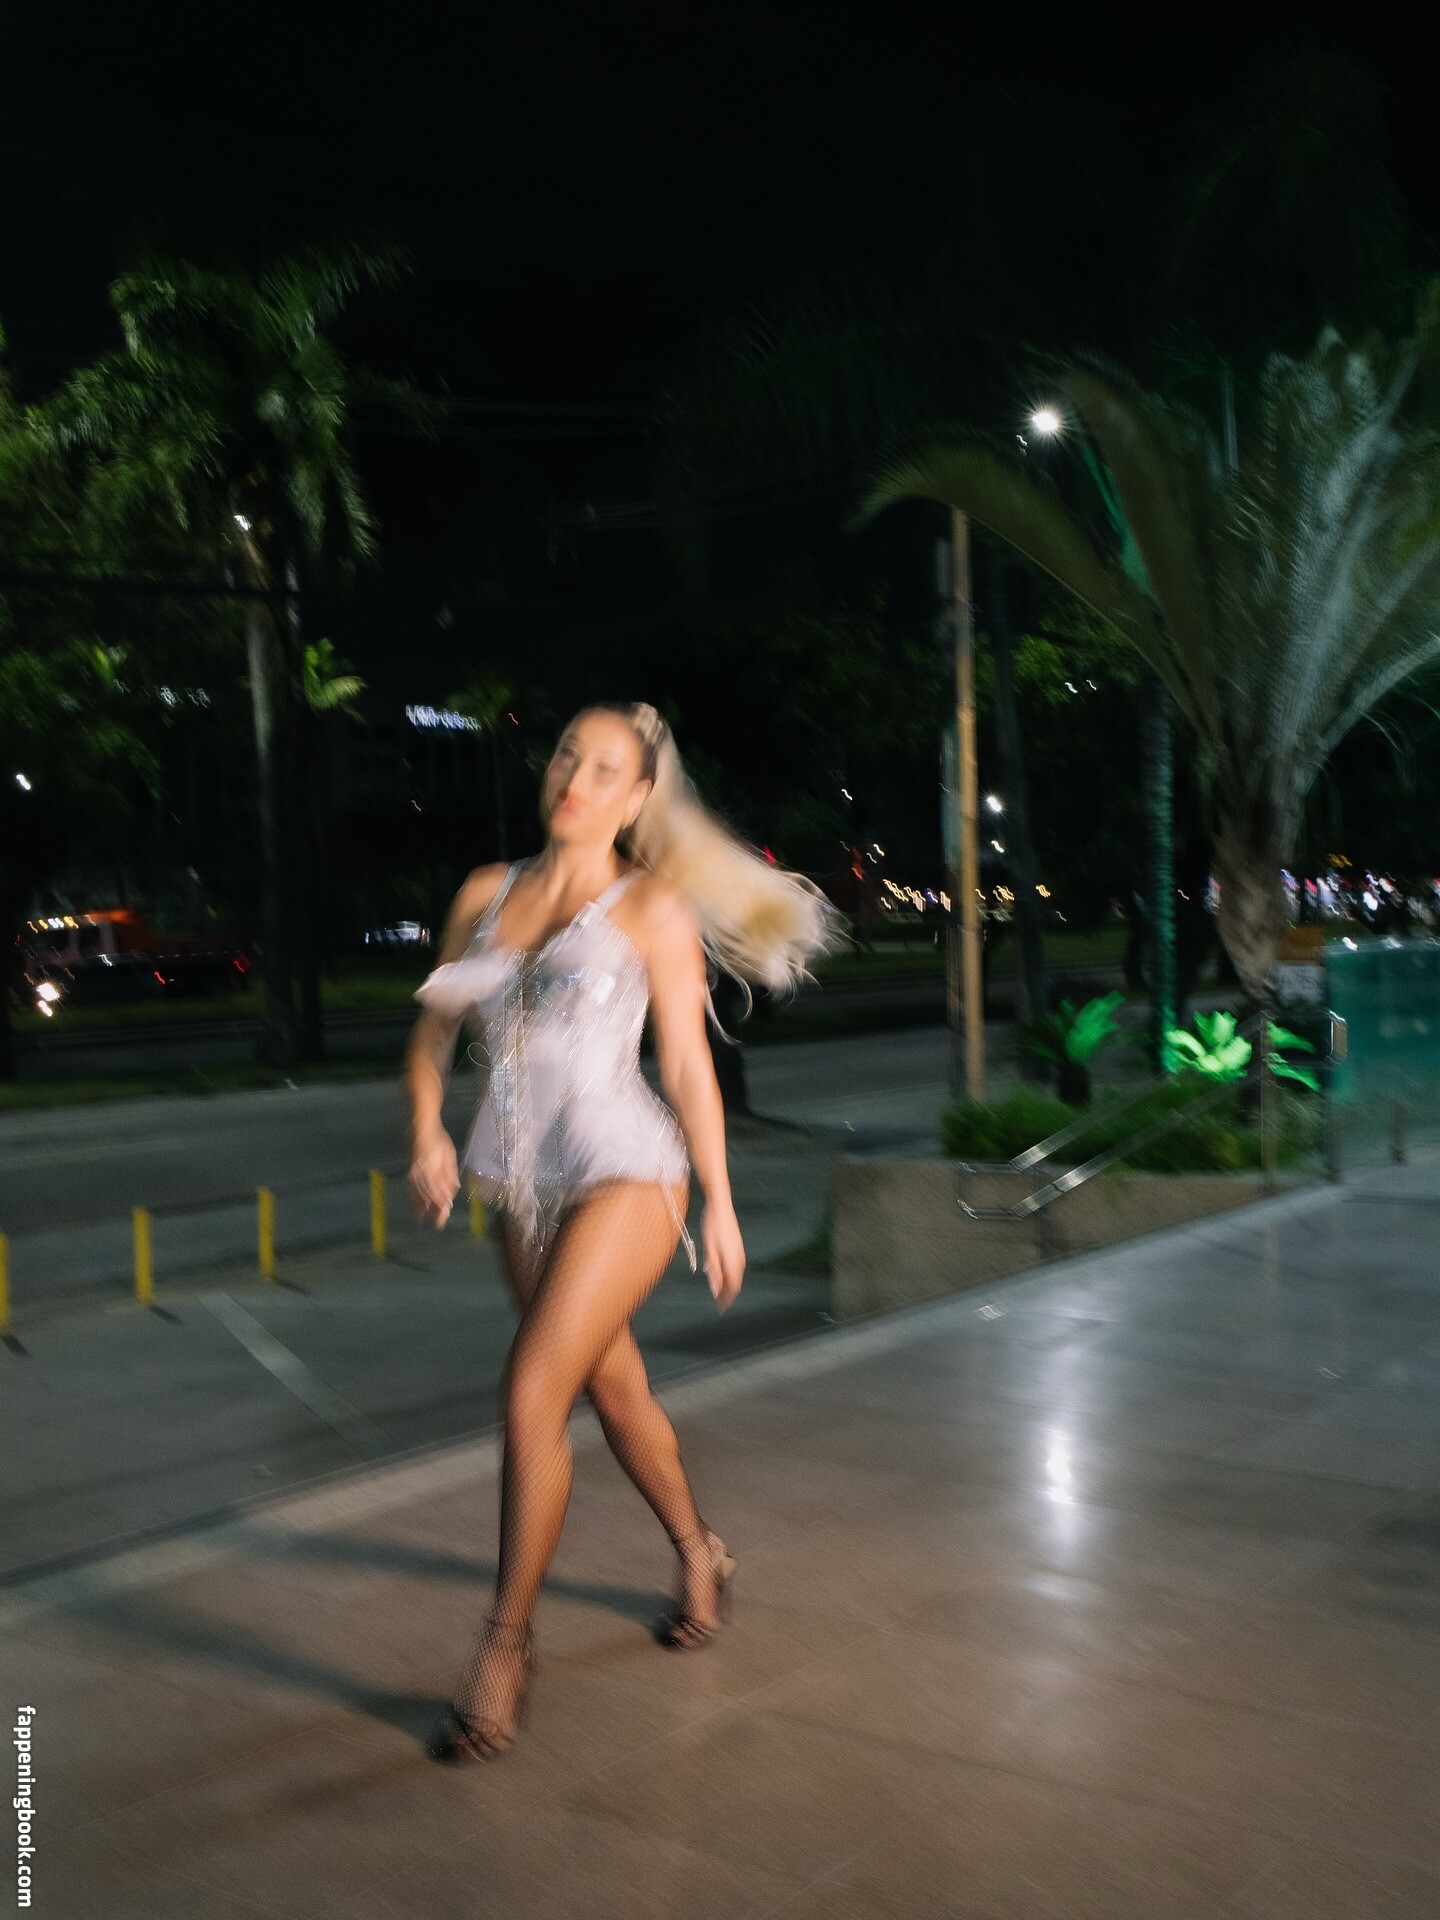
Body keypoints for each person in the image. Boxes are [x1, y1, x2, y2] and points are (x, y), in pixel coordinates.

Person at [405, 701, 838, 1761]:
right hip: (525, 1186)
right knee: (615, 1389)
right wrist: (427, 1132)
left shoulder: (650, 905)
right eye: (567, 755)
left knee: (531, 1391)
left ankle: (505, 1646)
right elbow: (429, 1036)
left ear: (639, 797)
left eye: (605, 768)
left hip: (632, 1173)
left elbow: (685, 1062)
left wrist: (721, 1200)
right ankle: (701, 1550)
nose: (575, 778)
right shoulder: (483, 893)